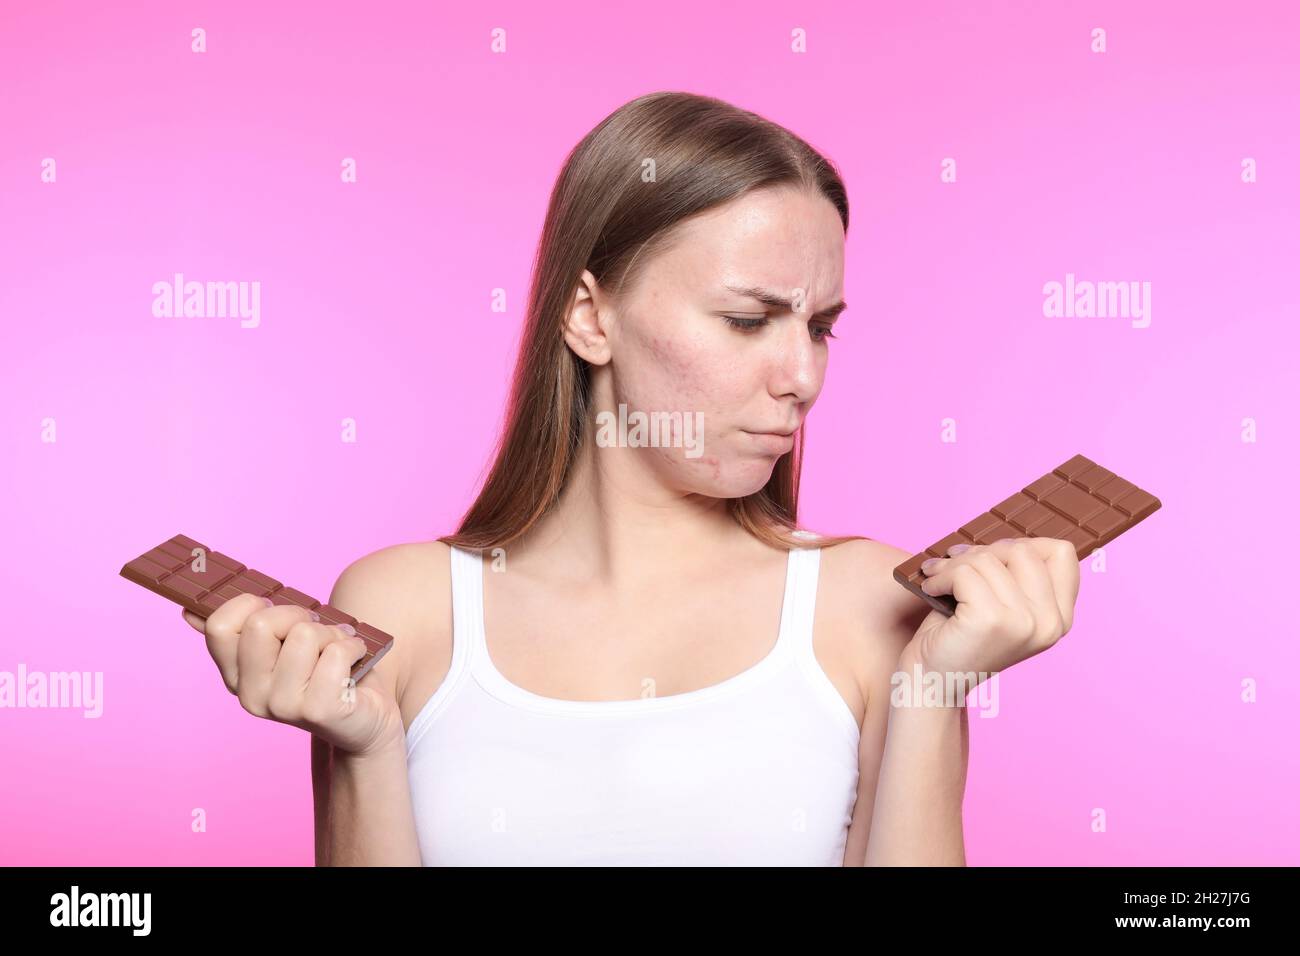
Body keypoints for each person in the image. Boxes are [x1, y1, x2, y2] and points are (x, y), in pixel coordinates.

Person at [183, 90, 1080, 866]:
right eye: (745, 320)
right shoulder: (406, 609)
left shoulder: (865, 610)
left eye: (818, 328)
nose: (801, 377)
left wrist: (933, 687)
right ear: (589, 317)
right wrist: (368, 752)